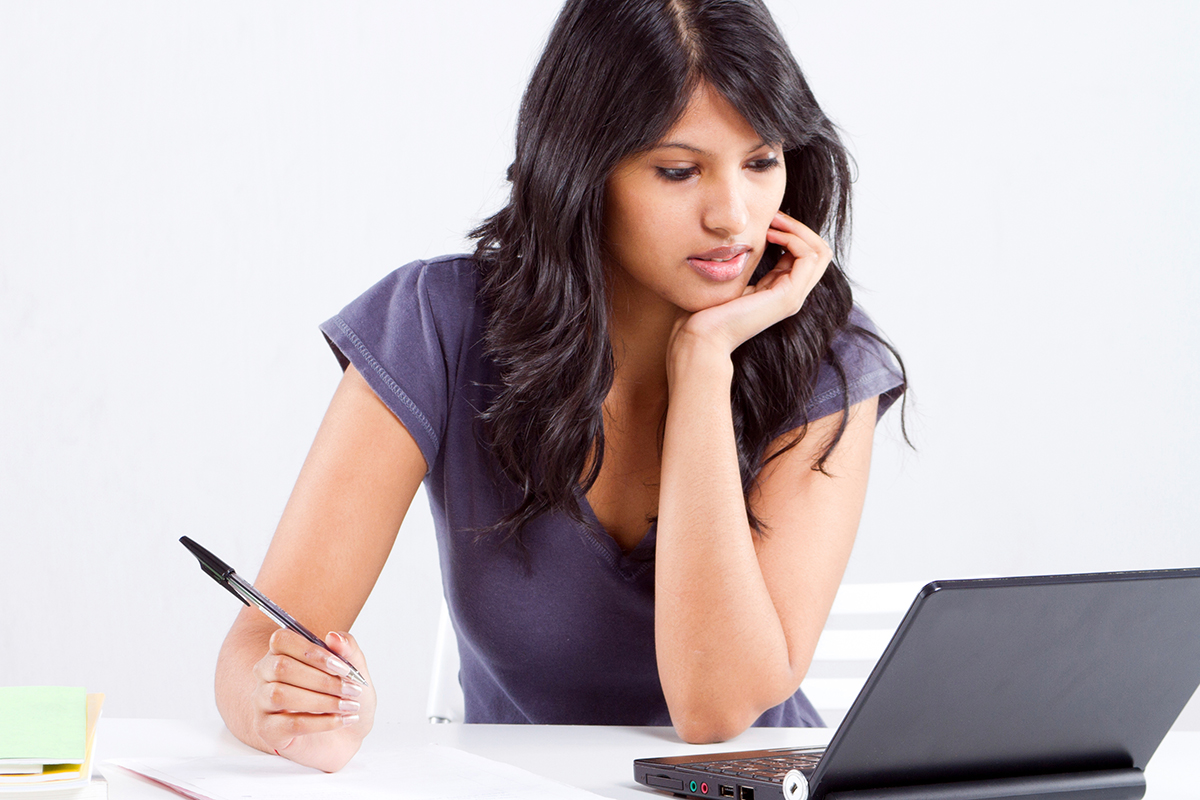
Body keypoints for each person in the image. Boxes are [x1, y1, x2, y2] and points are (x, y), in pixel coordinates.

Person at [214, 0, 906, 773]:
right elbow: (258, 645)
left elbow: (714, 710)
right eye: (678, 170)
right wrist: (288, 699)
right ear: (582, 170)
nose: (733, 216)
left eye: (761, 161)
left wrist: (704, 364)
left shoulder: (827, 360)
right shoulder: (436, 326)